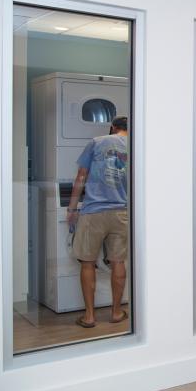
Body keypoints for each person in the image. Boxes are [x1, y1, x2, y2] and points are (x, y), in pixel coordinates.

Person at [68, 116, 129, 328]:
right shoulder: (137, 146)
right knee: (118, 261)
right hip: (122, 211)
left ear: (113, 127)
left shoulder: (96, 142)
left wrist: (72, 208)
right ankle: (116, 312)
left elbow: (81, 177)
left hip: (93, 210)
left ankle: (90, 316)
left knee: (87, 261)